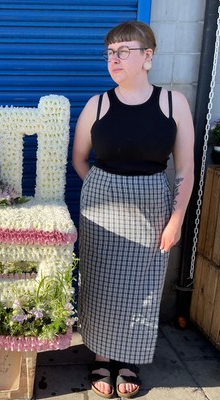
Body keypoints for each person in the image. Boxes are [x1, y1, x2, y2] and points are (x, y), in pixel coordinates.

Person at [72, 21, 194, 399]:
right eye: (110, 52)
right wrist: (102, 186)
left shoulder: (174, 103)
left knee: (143, 286)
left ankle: (129, 358)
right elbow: (79, 159)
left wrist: (176, 221)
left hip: (154, 204)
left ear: (148, 57)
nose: (115, 59)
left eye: (124, 50)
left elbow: (186, 170)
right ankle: (102, 354)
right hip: (101, 208)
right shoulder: (98, 104)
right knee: (100, 284)